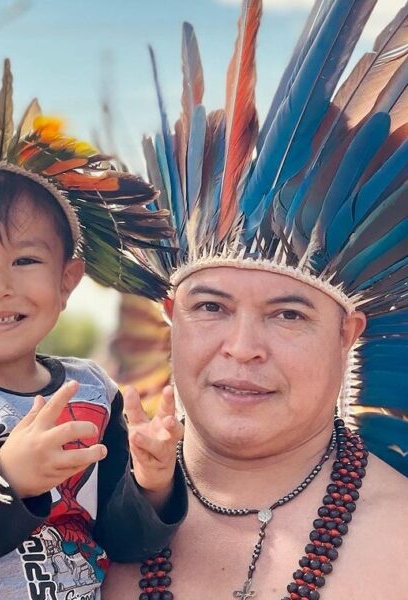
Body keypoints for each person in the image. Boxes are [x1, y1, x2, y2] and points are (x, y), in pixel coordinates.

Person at [104, 1, 408, 598]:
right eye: (211, 307)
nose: (242, 349)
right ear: (171, 318)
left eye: (288, 315)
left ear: (349, 332)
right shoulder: (71, 513)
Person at [0, 38, 186, 599]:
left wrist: (151, 483)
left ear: (67, 281)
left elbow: (121, 537)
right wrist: (7, 479)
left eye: (25, 260)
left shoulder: (93, 389)